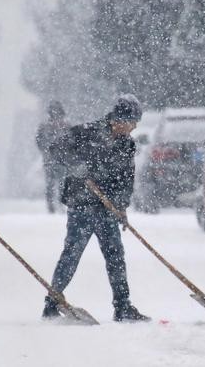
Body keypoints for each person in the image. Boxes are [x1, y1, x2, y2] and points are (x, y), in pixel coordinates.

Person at [43, 95, 150, 322]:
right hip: (81, 205)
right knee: (72, 254)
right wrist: (75, 165)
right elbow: (54, 149)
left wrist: (121, 206)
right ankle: (51, 304)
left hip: (107, 208)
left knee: (115, 256)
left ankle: (122, 307)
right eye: (132, 122)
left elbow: (126, 180)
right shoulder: (85, 133)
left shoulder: (127, 144)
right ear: (119, 118)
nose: (134, 127)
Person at [36, 100, 69, 213]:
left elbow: (39, 141)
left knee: (60, 183)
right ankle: (53, 205)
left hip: (58, 160)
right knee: (54, 184)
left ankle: (58, 204)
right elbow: (39, 141)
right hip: (53, 160)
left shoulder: (65, 126)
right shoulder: (45, 126)